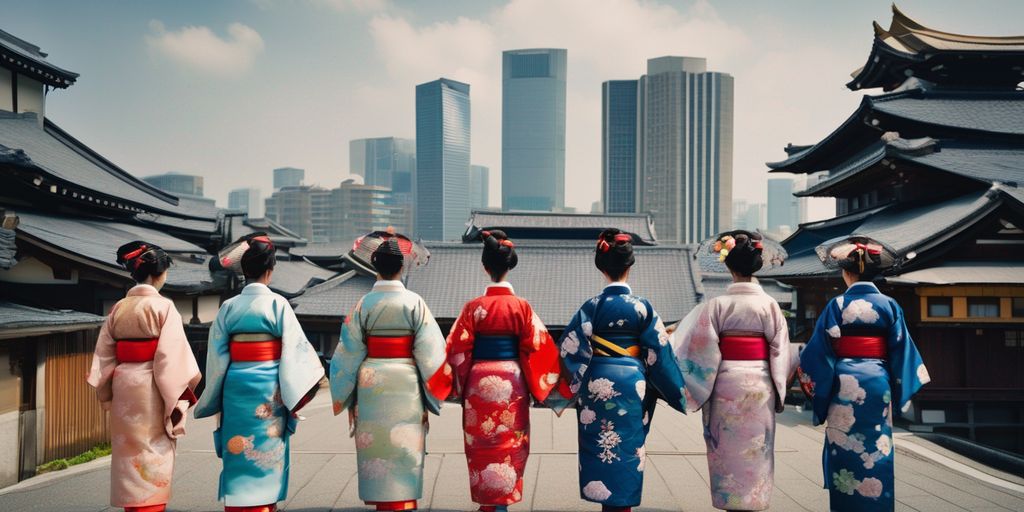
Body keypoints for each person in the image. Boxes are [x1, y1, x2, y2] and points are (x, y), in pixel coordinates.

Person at [553, 228, 687, 512]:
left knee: (599, 439)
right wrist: (677, 390)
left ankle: (605, 501)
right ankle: (622, 507)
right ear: (630, 265)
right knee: (627, 444)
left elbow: (569, 347)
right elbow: (659, 353)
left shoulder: (592, 306)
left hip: (596, 380)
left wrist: (565, 388)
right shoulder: (642, 307)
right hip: (632, 382)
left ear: (602, 267)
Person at [194, 233, 325, 512]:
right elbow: (295, 352)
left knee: (238, 444)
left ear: (244, 271)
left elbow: (216, 360)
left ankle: (239, 502)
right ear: (270, 269)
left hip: (235, 384)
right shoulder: (279, 305)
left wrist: (216, 392)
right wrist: (296, 392)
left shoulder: (228, 307)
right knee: (268, 446)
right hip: (270, 387)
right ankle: (265, 503)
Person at [798, 236, 929, 512]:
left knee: (844, 443)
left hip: (844, 382)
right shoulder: (890, 306)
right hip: (878, 381)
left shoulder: (837, 305)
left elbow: (818, 353)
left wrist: (816, 387)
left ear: (847, 273)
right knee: (877, 444)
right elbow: (901, 348)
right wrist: (898, 387)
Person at [670, 231, 792, 511]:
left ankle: (731, 502)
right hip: (761, 386)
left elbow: (697, 350)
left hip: (725, 385)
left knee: (726, 447)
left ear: (728, 266)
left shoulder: (716, 306)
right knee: (757, 448)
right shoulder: (770, 305)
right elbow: (780, 350)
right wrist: (778, 387)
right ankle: (754, 500)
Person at [329, 237, 452, 512]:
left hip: (371, 381)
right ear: (402, 267)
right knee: (405, 445)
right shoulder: (415, 302)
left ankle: (383, 500)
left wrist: (346, 394)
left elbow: (347, 354)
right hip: (407, 381)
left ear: (375, 266)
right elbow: (431, 353)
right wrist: (435, 389)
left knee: (379, 444)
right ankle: (403, 501)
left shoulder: (363, 304)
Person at [446, 230, 562, 512]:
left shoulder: (473, 307)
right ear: (510, 265)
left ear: (485, 267)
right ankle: (502, 503)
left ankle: (488, 503)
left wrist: (459, 384)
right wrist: (538, 384)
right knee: (510, 441)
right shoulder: (521, 307)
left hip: (478, 380)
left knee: (482, 441)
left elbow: (457, 351)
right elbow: (537, 347)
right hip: (513, 381)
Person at [87, 241, 201, 512]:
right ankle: (150, 506)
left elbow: (104, 355)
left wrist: (107, 392)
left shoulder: (119, 308)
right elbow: (170, 359)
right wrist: (178, 397)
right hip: (152, 384)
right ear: (161, 274)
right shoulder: (164, 307)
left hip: (123, 384)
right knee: (153, 449)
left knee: (128, 450)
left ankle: (133, 507)